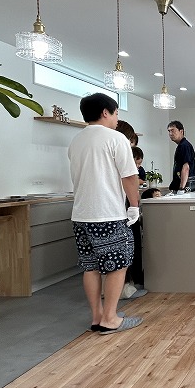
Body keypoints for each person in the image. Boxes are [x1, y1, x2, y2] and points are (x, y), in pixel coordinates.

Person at [67, 93, 143, 335]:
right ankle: (110, 318)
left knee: (90, 267)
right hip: (108, 214)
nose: (117, 119)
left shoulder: (76, 141)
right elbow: (129, 177)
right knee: (117, 266)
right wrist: (134, 206)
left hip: (81, 215)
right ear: (105, 112)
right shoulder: (116, 138)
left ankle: (97, 317)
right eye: (117, 113)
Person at [167, 120, 195, 192]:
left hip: (184, 186)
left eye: (173, 130)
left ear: (181, 131)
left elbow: (186, 167)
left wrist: (182, 187)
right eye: (169, 131)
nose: (170, 134)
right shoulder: (181, 146)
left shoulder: (184, 146)